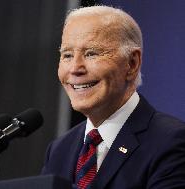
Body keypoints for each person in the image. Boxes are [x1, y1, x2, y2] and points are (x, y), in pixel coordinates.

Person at [41, 5, 185, 189]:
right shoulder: (59, 150)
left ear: (132, 64)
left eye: (91, 53)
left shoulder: (172, 142)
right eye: (67, 55)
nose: (75, 68)